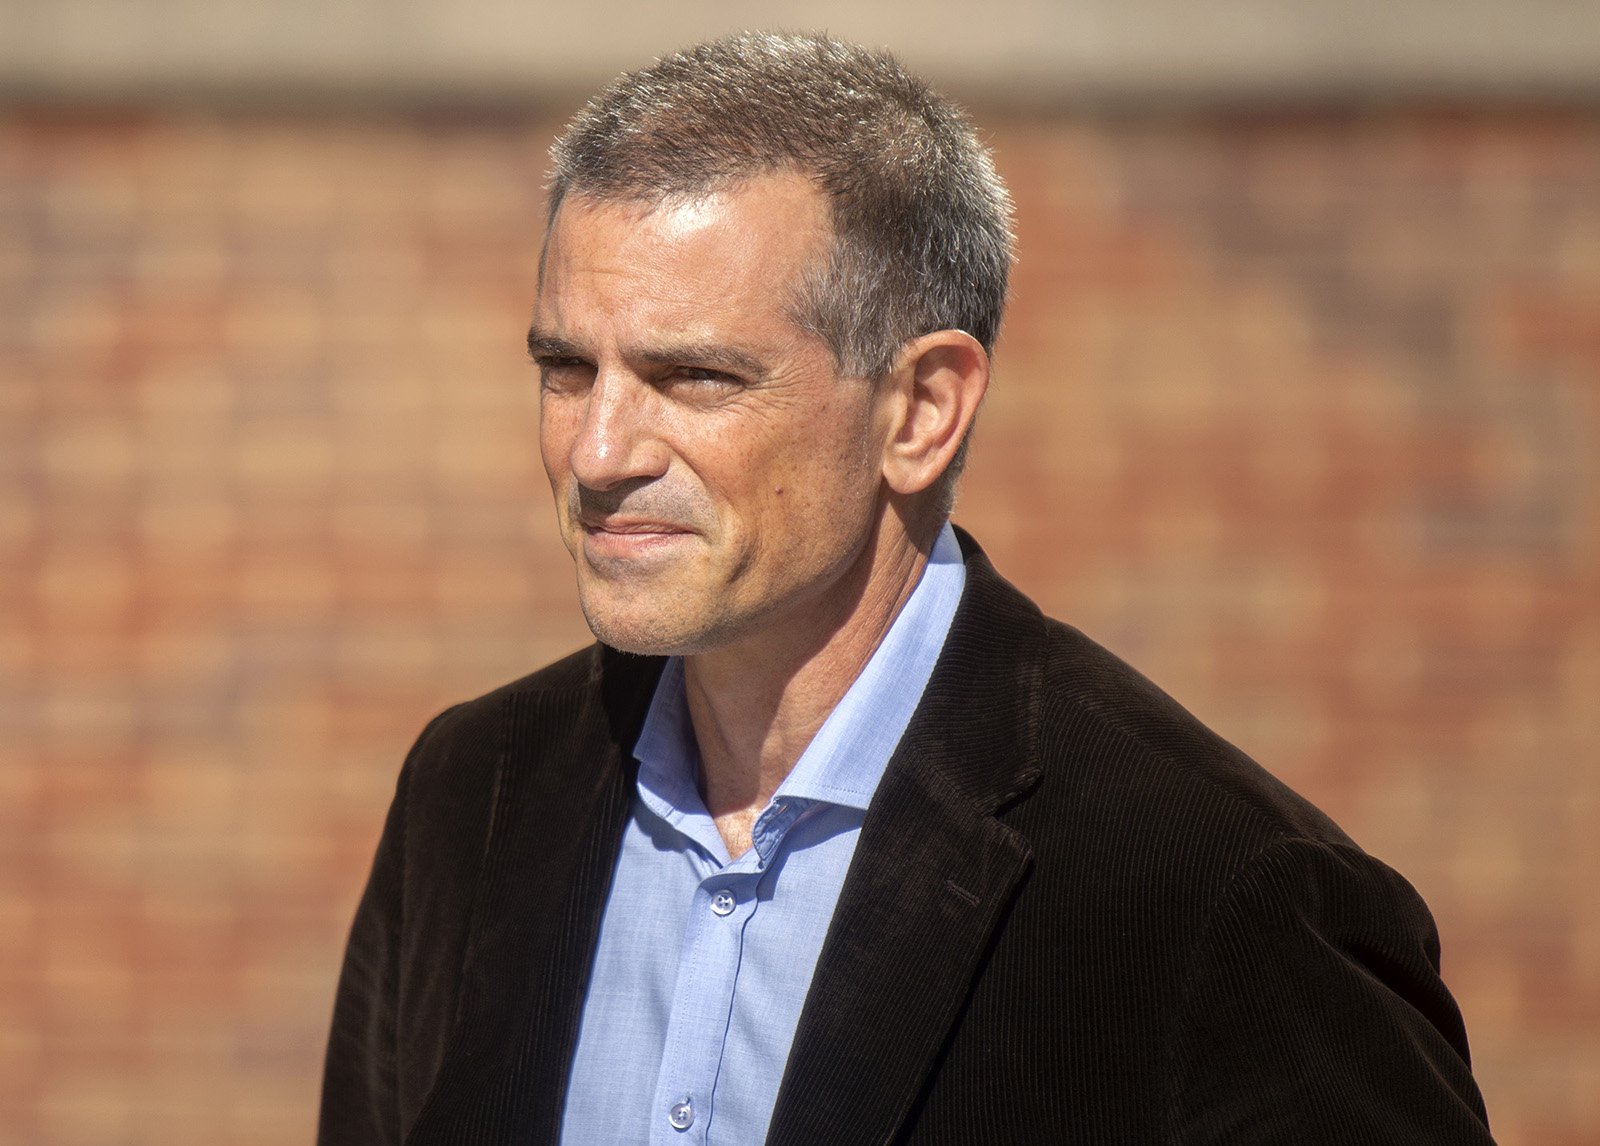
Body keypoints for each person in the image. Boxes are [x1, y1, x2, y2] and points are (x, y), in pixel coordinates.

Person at [318, 32, 1492, 1145]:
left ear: (923, 409)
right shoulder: (472, 795)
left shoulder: (1218, 898)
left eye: (693, 377)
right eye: (567, 369)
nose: (598, 452)